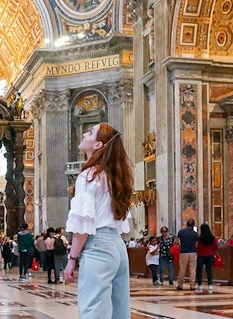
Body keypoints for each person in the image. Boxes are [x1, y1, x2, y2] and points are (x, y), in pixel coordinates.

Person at [63, 122, 133, 319]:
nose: (84, 133)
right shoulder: (115, 177)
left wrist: (72, 259)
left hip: (98, 246)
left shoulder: (88, 176)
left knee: (93, 311)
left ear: (98, 145)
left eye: (90, 132)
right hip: (118, 247)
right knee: (119, 313)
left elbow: (83, 226)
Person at [176, 219, 199, 291]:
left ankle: (180, 285)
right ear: (193, 225)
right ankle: (192, 285)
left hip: (183, 252)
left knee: (182, 269)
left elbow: (177, 242)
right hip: (193, 252)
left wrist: (180, 248)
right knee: (192, 269)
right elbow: (196, 245)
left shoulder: (181, 232)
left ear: (186, 224)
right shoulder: (195, 234)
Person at [195, 223, 217, 294]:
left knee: (199, 270)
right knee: (209, 271)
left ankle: (200, 284)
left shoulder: (199, 238)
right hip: (210, 255)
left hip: (201, 255)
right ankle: (210, 285)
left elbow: (197, 247)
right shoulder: (212, 237)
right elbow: (215, 247)